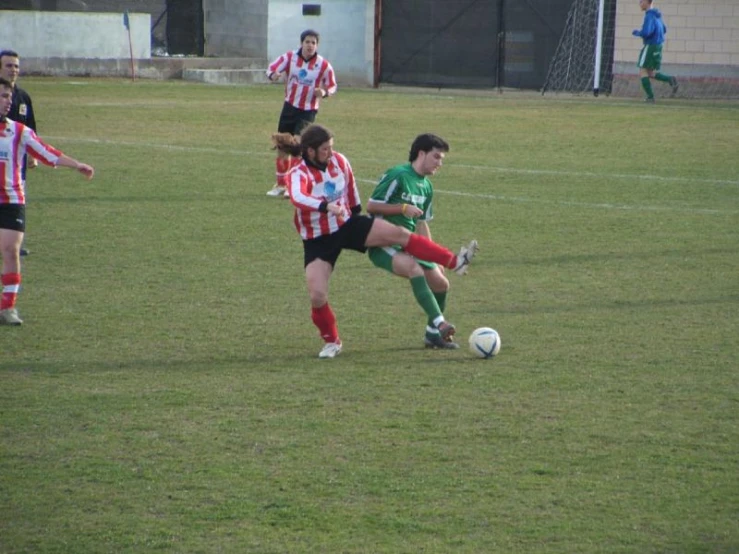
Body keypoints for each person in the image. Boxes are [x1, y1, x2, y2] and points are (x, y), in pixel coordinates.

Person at [280, 124, 478, 359]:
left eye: (331, 148)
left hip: (347, 224)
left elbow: (352, 189)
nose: (331, 153)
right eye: (325, 150)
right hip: (318, 239)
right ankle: (332, 341)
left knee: (400, 235)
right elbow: (298, 197)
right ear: (310, 151)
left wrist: (354, 212)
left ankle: (455, 262)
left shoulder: (339, 161)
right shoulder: (298, 173)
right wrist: (325, 206)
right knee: (317, 295)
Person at [0, 77, 95, 326]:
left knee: (10, 250)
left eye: (9, 96)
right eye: (2, 96)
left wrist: (76, 165)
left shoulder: (19, 131)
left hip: (11, 200)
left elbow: (46, 152)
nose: (7, 101)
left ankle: (7, 307)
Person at [367, 134, 465, 350]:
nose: (439, 163)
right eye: (436, 157)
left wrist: (434, 255)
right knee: (414, 269)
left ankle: (433, 335)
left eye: (442, 159)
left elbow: (421, 223)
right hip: (383, 243)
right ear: (421, 153)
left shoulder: (427, 187)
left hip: (410, 245)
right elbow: (372, 206)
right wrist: (401, 208)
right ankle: (441, 324)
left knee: (441, 283)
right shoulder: (398, 175)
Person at [265, 29, 337, 198]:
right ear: (301, 43)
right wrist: (273, 75)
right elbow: (272, 68)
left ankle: (294, 187)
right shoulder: (290, 57)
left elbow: (333, 85)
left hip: (308, 110)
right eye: (307, 42)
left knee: (297, 146)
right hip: (289, 107)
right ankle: (280, 185)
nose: (310, 45)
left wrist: (324, 93)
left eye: (313, 42)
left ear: (317, 45)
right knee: (282, 146)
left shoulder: (323, 65)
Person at [0, 50, 36, 256]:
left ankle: (14, 242)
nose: (13, 70)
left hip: (17, 163)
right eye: (8, 65)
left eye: (16, 66)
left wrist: (33, 154)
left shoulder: (23, 97)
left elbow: (30, 127)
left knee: (18, 198)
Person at [632, 0, 678, 103]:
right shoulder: (657, 15)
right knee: (650, 72)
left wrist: (638, 33)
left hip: (651, 46)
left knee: (643, 70)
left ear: (648, 2)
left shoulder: (649, 16)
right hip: (658, 46)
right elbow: (664, 29)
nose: (639, 3)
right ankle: (670, 79)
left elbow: (647, 32)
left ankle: (650, 97)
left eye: (641, 1)